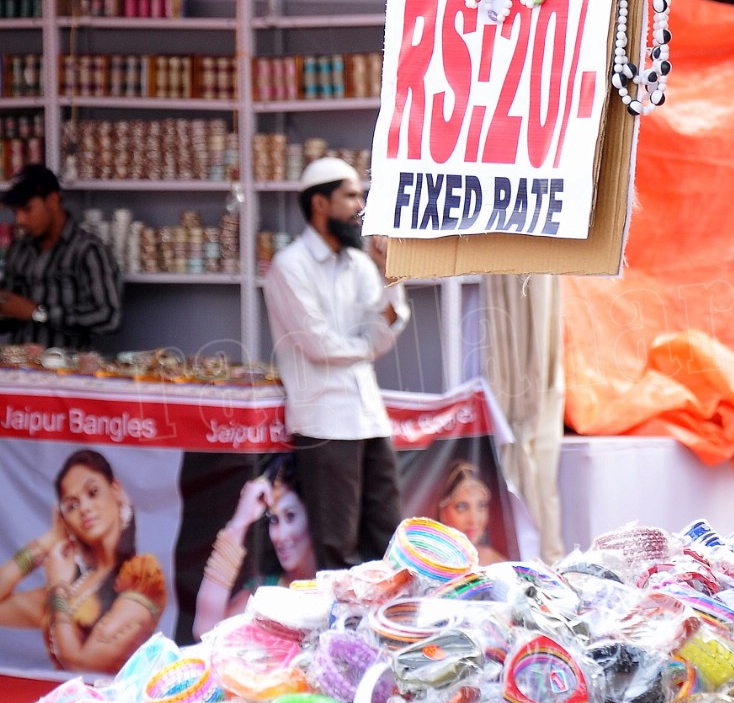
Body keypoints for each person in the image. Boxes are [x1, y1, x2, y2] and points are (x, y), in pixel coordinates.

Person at [262, 156, 409, 571]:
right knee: (336, 549)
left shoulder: (361, 265)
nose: (359, 205)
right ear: (320, 205)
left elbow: (384, 332)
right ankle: (340, 636)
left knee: (389, 542)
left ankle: (388, 630)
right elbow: (318, 344)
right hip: (324, 422)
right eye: (350, 196)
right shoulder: (289, 267)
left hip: (369, 417)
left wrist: (389, 274)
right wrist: (365, 346)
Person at [0, 448, 165, 672]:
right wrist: (49, 540)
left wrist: (57, 587)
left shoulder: (141, 576)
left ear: (115, 489)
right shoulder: (76, 585)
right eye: (72, 505)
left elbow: (81, 663)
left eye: (93, 492)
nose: (85, 508)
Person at [0, 165, 122, 350]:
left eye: (27, 209)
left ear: (52, 200)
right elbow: (12, 310)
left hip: (67, 372)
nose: (20, 220)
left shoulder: (89, 251)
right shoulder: (19, 250)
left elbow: (109, 318)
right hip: (20, 371)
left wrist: (39, 313)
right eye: (16, 212)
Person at [193, 455, 317, 636]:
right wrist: (240, 522)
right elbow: (205, 631)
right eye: (273, 520)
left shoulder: (343, 587)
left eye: (290, 516)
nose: (280, 536)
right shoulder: (263, 591)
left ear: (315, 517)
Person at [436, 458, 504, 565]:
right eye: (462, 507)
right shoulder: (431, 564)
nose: (473, 520)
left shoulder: (496, 563)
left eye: (481, 506)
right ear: (443, 512)